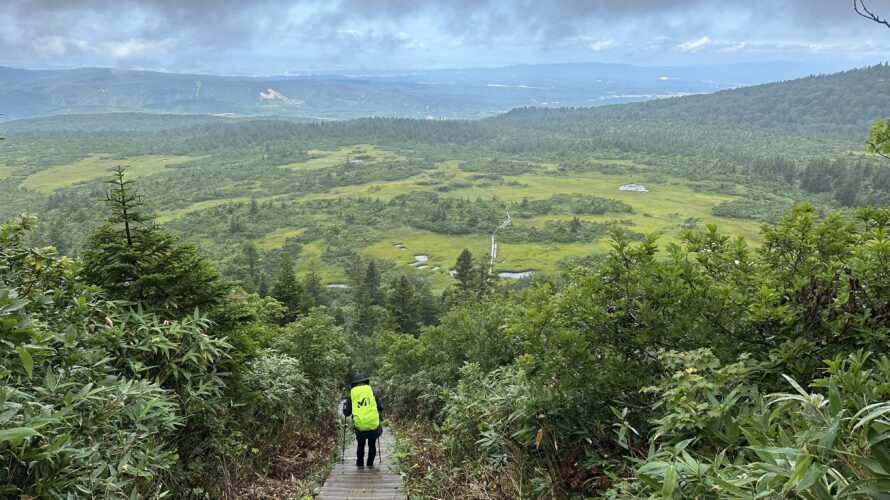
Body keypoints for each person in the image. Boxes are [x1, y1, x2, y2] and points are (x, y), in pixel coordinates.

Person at [343, 373, 384, 468]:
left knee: (361, 445)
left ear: (354, 384)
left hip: (360, 425)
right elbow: (381, 407)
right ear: (364, 382)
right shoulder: (373, 391)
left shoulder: (352, 394)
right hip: (373, 423)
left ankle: (360, 465)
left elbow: (347, 413)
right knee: (372, 444)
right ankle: (370, 464)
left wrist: (345, 407)